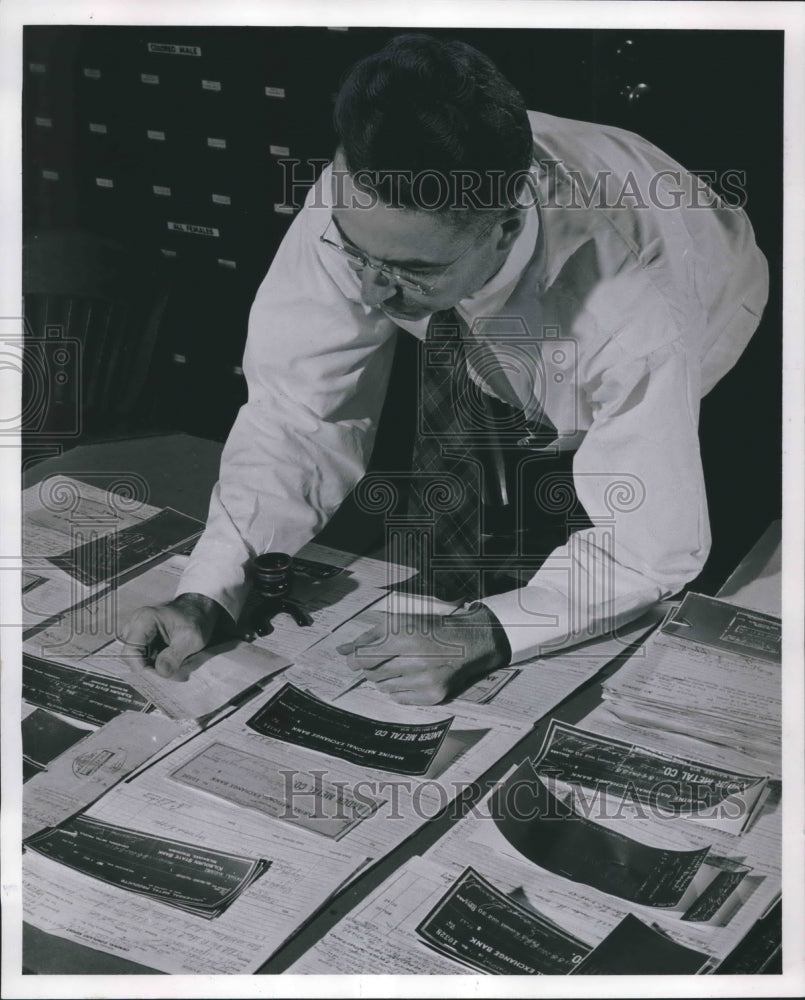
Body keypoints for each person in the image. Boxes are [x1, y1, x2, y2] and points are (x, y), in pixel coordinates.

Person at [123, 34, 768, 705]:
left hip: (713, 311)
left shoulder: (636, 304)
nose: (371, 294)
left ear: (506, 228)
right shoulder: (365, 193)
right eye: (356, 255)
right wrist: (209, 591)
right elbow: (298, 411)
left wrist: (486, 632)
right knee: (475, 506)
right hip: (508, 322)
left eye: (410, 271)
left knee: (651, 593)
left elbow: (646, 545)